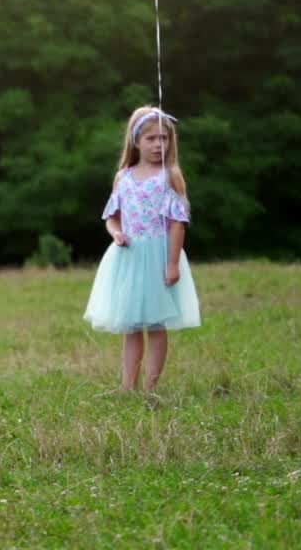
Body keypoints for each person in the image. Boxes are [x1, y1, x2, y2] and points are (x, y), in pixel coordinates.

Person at [85, 106, 200, 392]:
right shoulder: (123, 177)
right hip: (129, 257)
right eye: (151, 139)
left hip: (159, 257)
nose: (159, 145)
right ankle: (127, 386)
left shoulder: (169, 176)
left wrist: (172, 264)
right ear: (136, 140)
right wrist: (116, 234)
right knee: (132, 325)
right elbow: (112, 217)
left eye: (164, 138)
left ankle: (150, 387)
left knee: (156, 324)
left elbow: (177, 224)